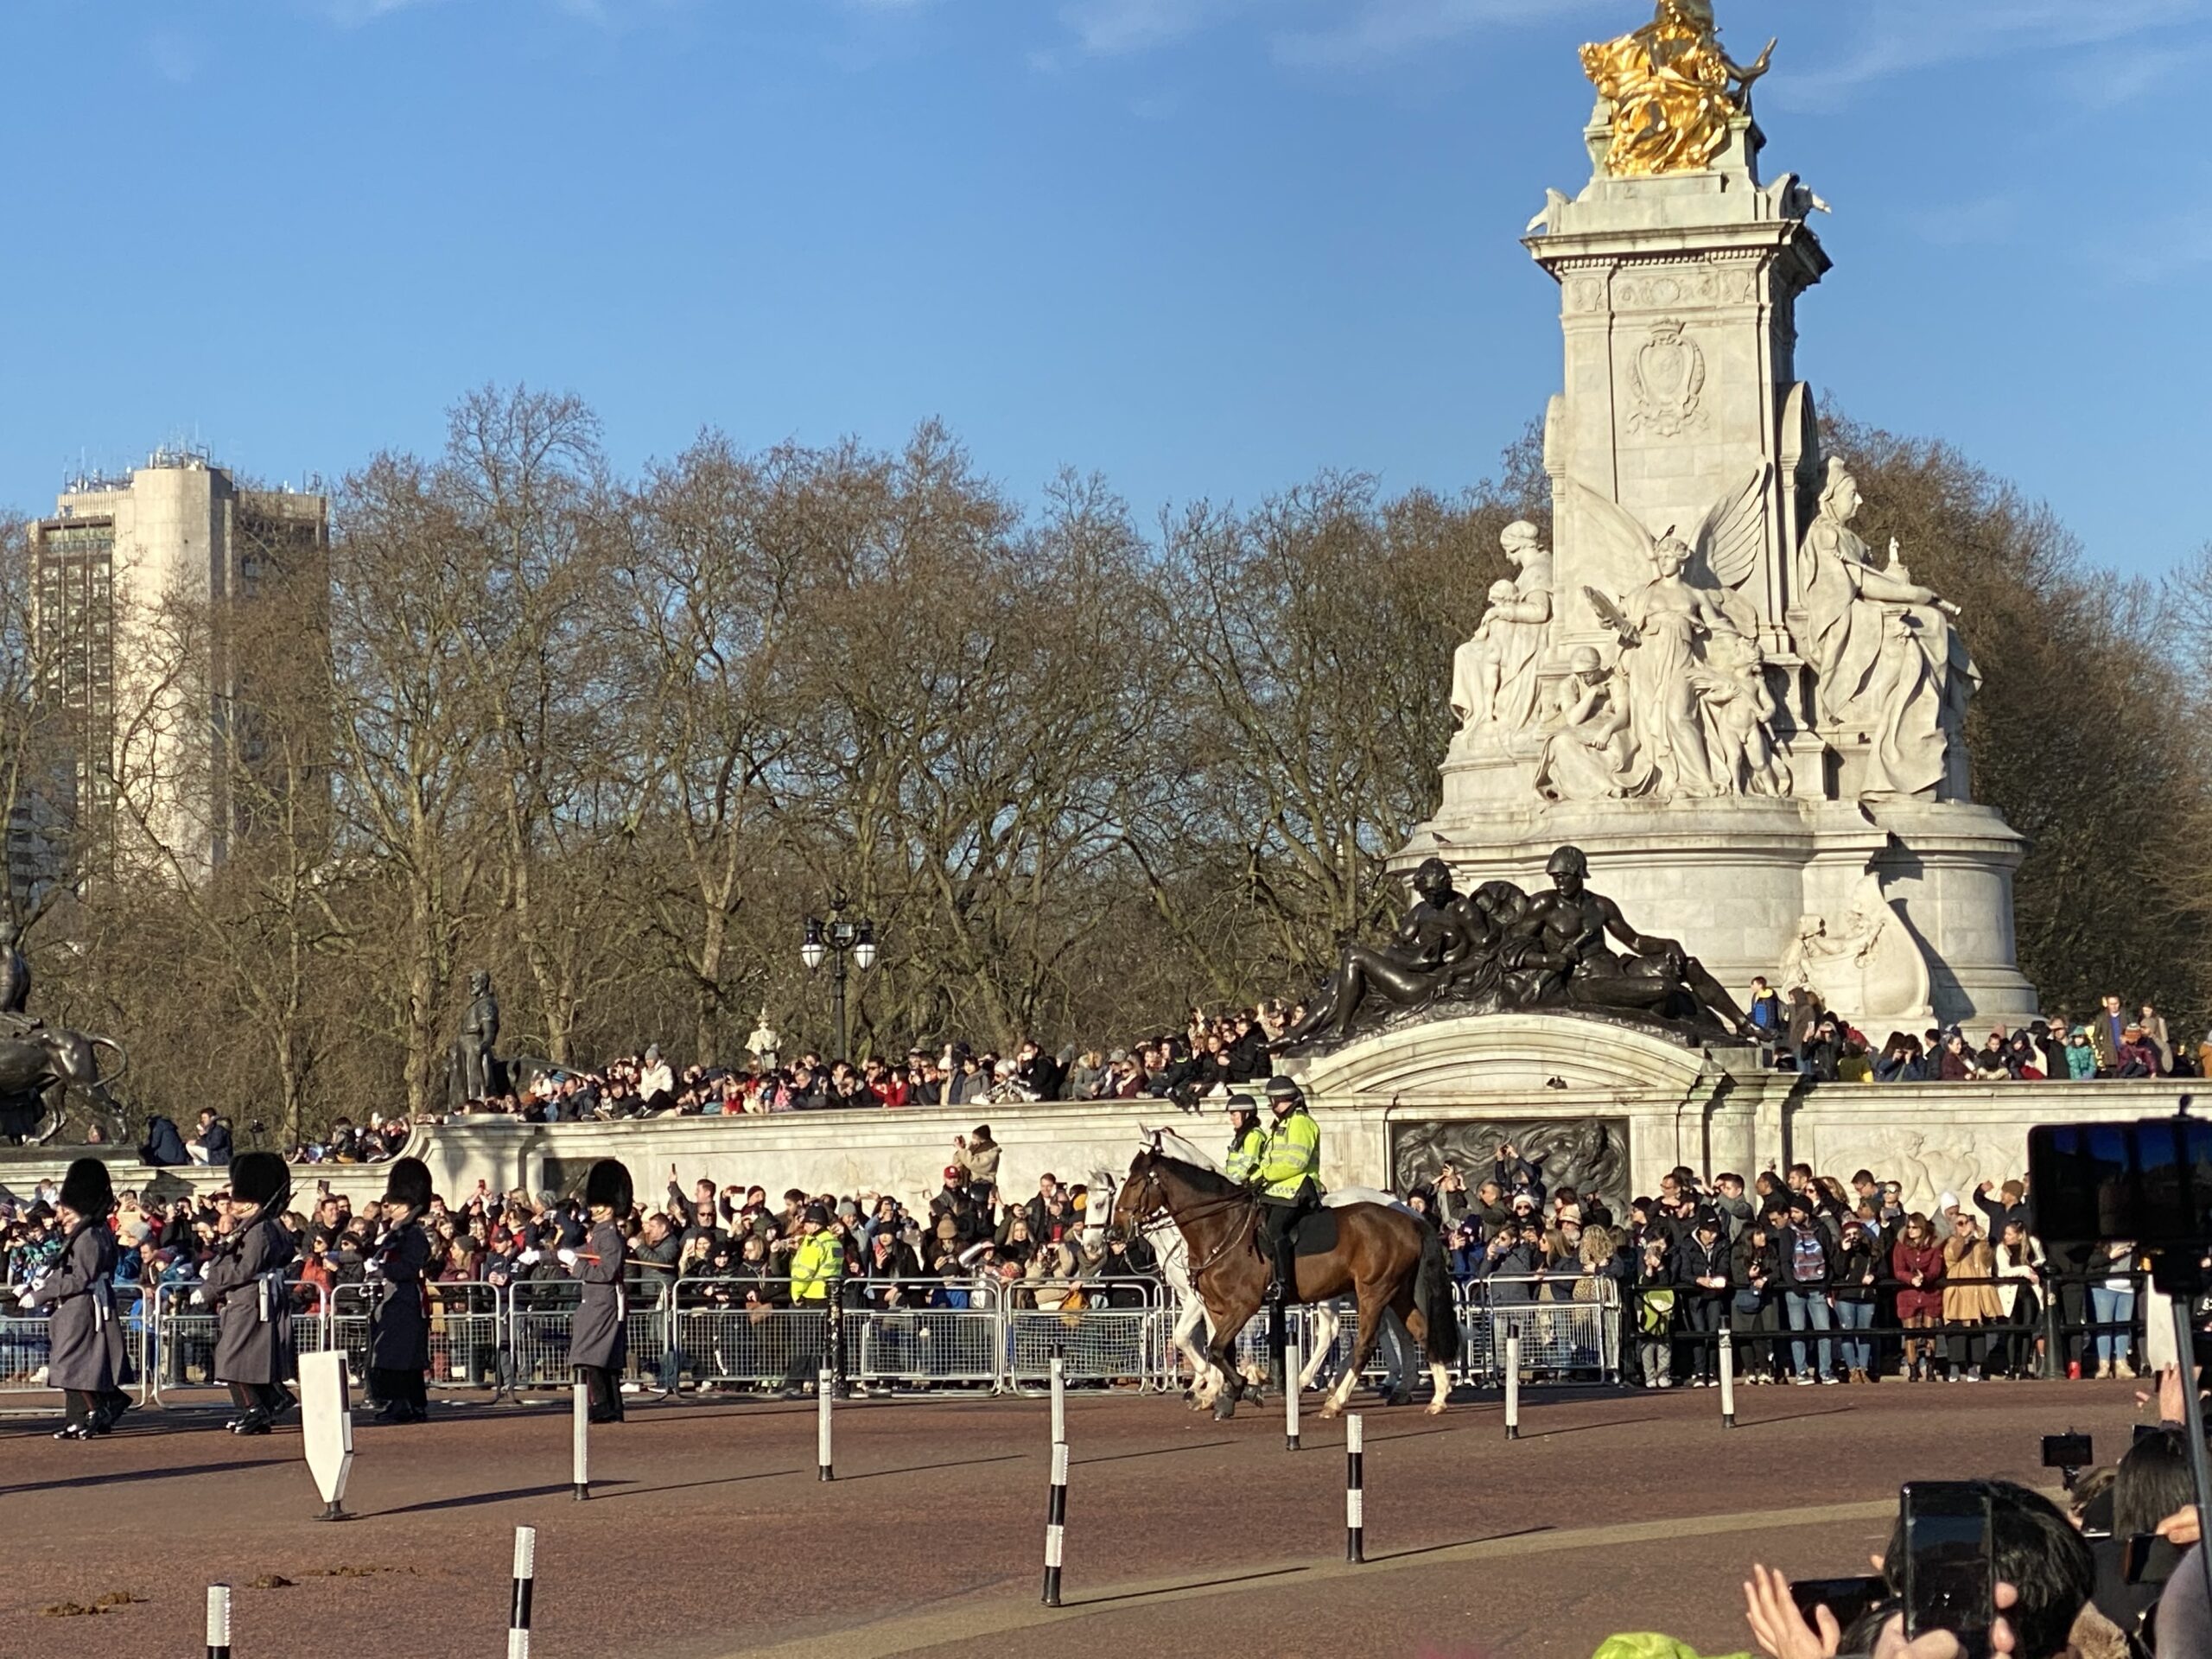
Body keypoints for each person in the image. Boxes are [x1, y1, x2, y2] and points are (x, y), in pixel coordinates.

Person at [17, 1157, 127, 1439]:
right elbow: (65, 1269)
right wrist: (34, 1286)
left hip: (83, 1305)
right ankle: (86, 1415)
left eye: (65, 1208)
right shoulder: (83, 1232)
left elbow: (81, 1277)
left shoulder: (89, 1234)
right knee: (79, 1363)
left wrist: (41, 1294)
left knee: (72, 1363)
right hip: (76, 1305)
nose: (60, 1214)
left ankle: (95, 1411)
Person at [200, 1151, 298, 1434]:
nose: (233, 1203)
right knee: (246, 1358)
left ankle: (254, 1408)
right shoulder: (253, 1227)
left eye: (239, 1198)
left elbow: (244, 1269)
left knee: (233, 1359)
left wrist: (211, 1284)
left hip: (250, 1299)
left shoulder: (259, 1230)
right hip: (247, 1298)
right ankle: (264, 1406)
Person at [365, 1156, 434, 1424]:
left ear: (405, 1205)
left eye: (392, 1204)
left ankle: (401, 1403)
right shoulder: (397, 1232)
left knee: (399, 1355)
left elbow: (409, 1266)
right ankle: (413, 1402)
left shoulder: (412, 1234)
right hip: (394, 1298)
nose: (388, 1208)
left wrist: (383, 1271)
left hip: (404, 1299)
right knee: (402, 1354)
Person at [569, 1159, 632, 1424]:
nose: (593, 1209)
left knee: (591, 1356)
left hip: (603, 1303)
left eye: (598, 1205)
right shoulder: (601, 1235)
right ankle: (613, 1407)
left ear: (609, 1208)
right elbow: (582, 1254)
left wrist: (576, 1267)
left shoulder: (609, 1236)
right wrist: (543, 1255)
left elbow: (605, 1273)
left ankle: (603, 1404)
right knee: (605, 1359)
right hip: (601, 1302)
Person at [1252, 1076, 1320, 1300]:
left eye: (1276, 1101)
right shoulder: (1280, 1125)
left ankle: (1284, 1284)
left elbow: (1295, 1162)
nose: (1273, 1106)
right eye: (1271, 1101)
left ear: (1289, 1099)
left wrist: (1266, 1175)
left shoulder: (1301, 1122)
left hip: (1299, 1188)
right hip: (1276, 1191)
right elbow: (1269, 1159)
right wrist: (1255, 1176)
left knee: (1275, 1229)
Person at [783, 1202, 846, 1398]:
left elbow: (803, 1272)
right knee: (825, 1344)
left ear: (815, 1224)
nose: (805, 1226)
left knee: (803, 1343)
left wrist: (796, 1294)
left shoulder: (813, 1243)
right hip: (830, 1298)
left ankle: (793, 1383)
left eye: (808, 1223)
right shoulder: (834, 1243)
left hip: (810, 1297)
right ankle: (824, 1382)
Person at [1222, 1096, 1265, 1185]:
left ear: (1247, 1114)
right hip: (1239, 1184)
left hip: (1249, 1186)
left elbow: (1249, 1164)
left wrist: (1230, 1182)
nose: (1231, 1118)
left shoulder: (1253, 1135)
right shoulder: (1242, 1135)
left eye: (1234, 1114)